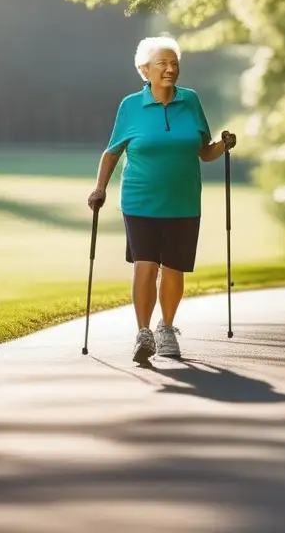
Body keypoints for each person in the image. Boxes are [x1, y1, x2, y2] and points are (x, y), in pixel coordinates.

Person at [88, 35, 237, 364]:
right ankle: (143, 333)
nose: (170, 69)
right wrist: (100, 188)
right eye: (163, 64)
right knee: (146, 263)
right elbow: (112, 153)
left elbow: (204, 152)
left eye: (175, 64)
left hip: (183, 200)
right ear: (145, 69)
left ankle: (166, 327)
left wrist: (223, 145)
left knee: (173, 268)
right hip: (140, 199)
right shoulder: (130, 106)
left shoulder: (191, 101)